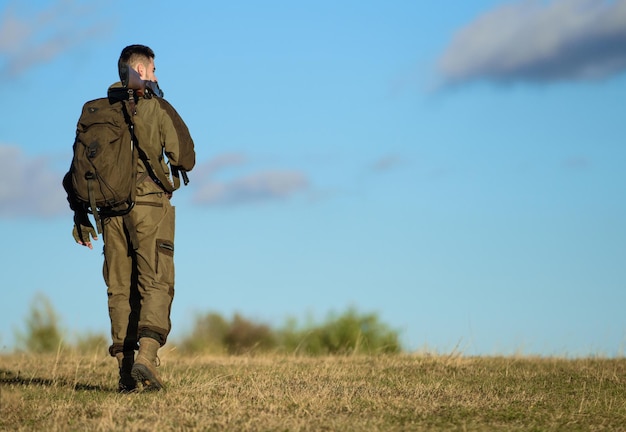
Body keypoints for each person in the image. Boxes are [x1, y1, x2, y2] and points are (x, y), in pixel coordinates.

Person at [64, 44, 192, 392]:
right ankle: (147, 357)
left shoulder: (97, 112)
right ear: (141, 70)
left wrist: (80, 214)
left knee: (119, 289)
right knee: (155, 281)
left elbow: (77, 169)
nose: (156, 76)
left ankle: (124, 371)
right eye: (152, 70)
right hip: (148, 206)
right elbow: (185, 155)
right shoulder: (154, 105)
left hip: (108, 212)